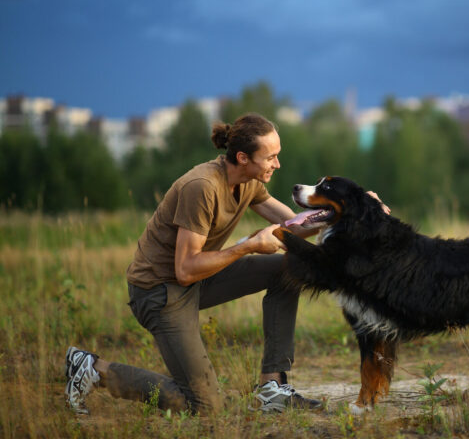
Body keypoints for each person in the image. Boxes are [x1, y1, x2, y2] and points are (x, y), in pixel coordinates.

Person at [64, 113, 386, 415]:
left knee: (289, 268)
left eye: (277, 154)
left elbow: (295, 227)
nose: (278, 163)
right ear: (243, 158)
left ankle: (271, 389)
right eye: (270, 157)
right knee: (204, 406)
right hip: (160, 292)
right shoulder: (202, 187)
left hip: (199, 279)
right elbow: (185, 269)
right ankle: (94, 369)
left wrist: (353, 210)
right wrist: (246, 247)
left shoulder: (248, 182)